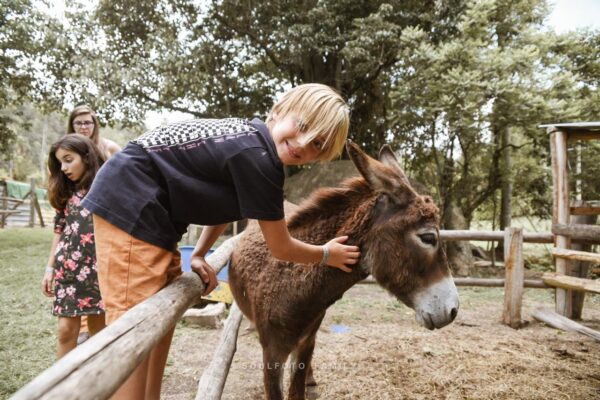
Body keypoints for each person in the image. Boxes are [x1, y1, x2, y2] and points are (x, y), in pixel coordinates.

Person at [82, 83, 361, 400]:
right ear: (280, 109)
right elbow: (281, 247)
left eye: (317, 144)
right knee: (133, 332)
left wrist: (199, 253)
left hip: (151, 214)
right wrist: (327, 254)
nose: (303, 143)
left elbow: (223, 206)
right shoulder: (258, 158)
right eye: (303, 126)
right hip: (132, 201)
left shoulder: (248, 142)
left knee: (157, 323)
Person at [41, 134, 107, 358]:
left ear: (86, 157)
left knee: (99, 334)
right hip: (68, 270)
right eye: (60, 162)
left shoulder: (107, 187)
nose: (64, 168)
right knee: (65, 332)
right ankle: (62, 388)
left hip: (101, 271)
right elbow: (59, 230)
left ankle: (99, 386)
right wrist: (50, 268)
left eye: (69, 160)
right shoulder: (66, 191)